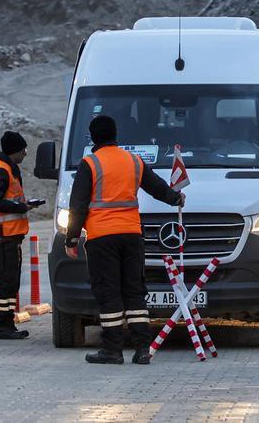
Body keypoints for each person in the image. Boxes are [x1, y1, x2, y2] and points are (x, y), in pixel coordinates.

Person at [63, 115, 185, 365]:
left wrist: (72, 239)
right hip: (132, 235)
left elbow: (78, 205)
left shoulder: (90, 163)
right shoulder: (133, 161)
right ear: (115, 134)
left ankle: (113, 349)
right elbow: (157, 187)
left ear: (93, 137)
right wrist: (176, 198)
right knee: (134, 291)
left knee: (109, 292)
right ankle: (142, 349)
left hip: (101, 238)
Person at [0, 131, 43, 340]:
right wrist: (20, 206)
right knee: (6, 282)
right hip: (2, 238)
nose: (25, 153)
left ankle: (7, 324)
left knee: (11, 282)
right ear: (14, 150)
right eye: (23, 150)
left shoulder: (10, 170)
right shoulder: (0, 172)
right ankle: (1, 326)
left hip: (11, 237)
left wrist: (23, 205)